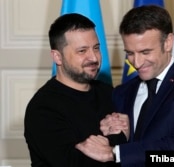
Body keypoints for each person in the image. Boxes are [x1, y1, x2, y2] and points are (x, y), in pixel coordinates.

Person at [77, 5, 174, 167]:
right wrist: (112, 130)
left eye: (145, 52)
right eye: (130, 53)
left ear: (168, 42)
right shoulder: (122, 93)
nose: (137, 63)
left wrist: (114, 152)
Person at [24, 13, 129, 167]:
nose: (94, 58)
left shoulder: (108, 92)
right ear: (57, 57)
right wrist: (120, 138)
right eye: (82, 51)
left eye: (96, 48)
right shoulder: (43, 108)